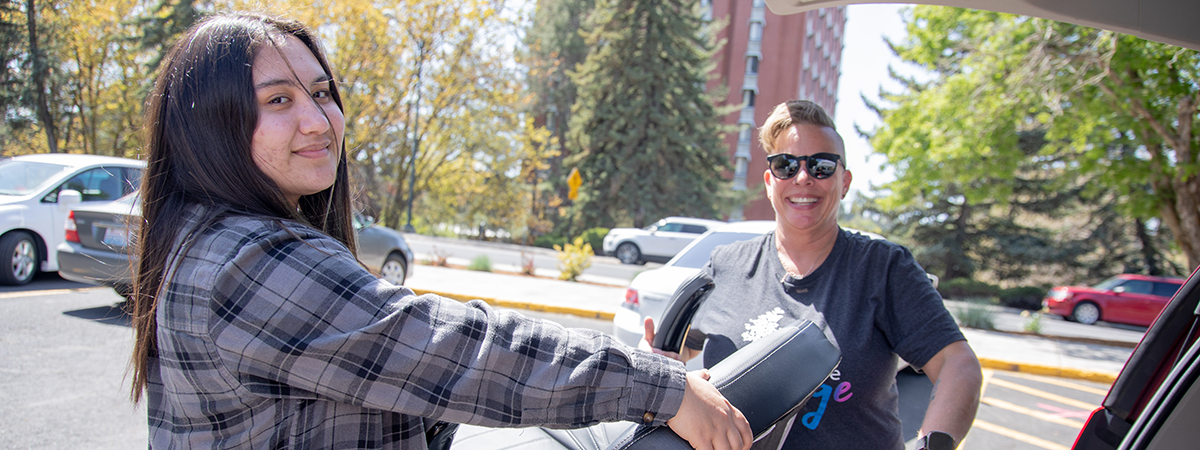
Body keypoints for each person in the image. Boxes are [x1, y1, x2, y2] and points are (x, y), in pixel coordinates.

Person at [127, 12, 752, 450]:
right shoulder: (247, 262)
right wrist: (657, 389)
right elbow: (448, 349)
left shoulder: (219, 240)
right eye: (280, 100)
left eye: (322, 93)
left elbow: (395, 379)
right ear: (210, 125)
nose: (320, 121)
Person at [643, 100, 982, 450]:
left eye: (821, 165)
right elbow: (676, 351)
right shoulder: (726, 265)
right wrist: (661, 366)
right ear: (768, 182)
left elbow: (957, 364)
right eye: (785, 165)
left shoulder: (883, 268)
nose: (803, 177)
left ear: (845, 181)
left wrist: (933, 446)